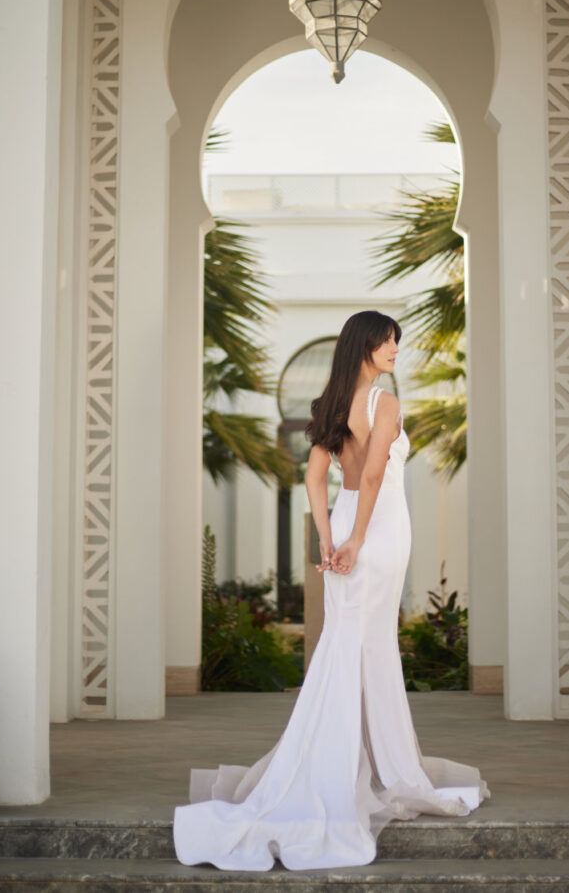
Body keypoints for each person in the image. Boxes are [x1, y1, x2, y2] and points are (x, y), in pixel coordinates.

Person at [172, 310, 489, 871]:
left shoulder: (330, 406)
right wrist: (359, 539)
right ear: (363, 347)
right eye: (386, 341)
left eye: (396, 341)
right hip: (378, 529)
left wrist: (329, 538)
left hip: (344, 524)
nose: (395, 348)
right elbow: (371, 475)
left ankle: (337, 764)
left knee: (347, 645)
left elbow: (316, 478)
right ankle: (360, 772)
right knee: (365, 647)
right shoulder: (383, 402)